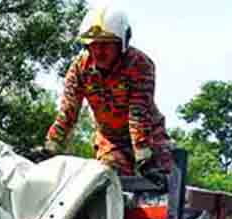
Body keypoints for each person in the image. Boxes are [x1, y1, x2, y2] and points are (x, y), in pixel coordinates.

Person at [43, 5, 173, 183]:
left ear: (121, 44)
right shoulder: (80, 69)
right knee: (106, 181)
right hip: (111, 140)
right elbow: (68, 112)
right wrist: (50, 148)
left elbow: (138, 113)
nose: (99, 51)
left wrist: (144, 156)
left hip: (150, 135)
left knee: (163, 181)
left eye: (105, 44)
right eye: (94, 44)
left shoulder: (139, 64)